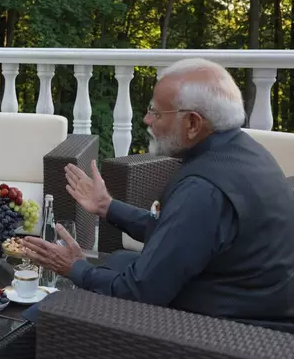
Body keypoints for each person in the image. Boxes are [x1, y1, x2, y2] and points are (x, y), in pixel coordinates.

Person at [22, 58, 294, 331]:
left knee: (40, 316)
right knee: (117, 260)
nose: (147, 120)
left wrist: (74, 268)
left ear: (192, 123)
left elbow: (137, 292)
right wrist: (108, 207)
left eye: (157, 112)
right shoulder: (246, 151)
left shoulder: (203, 190)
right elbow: (183, 232)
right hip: (248, 296)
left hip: (223, 330)